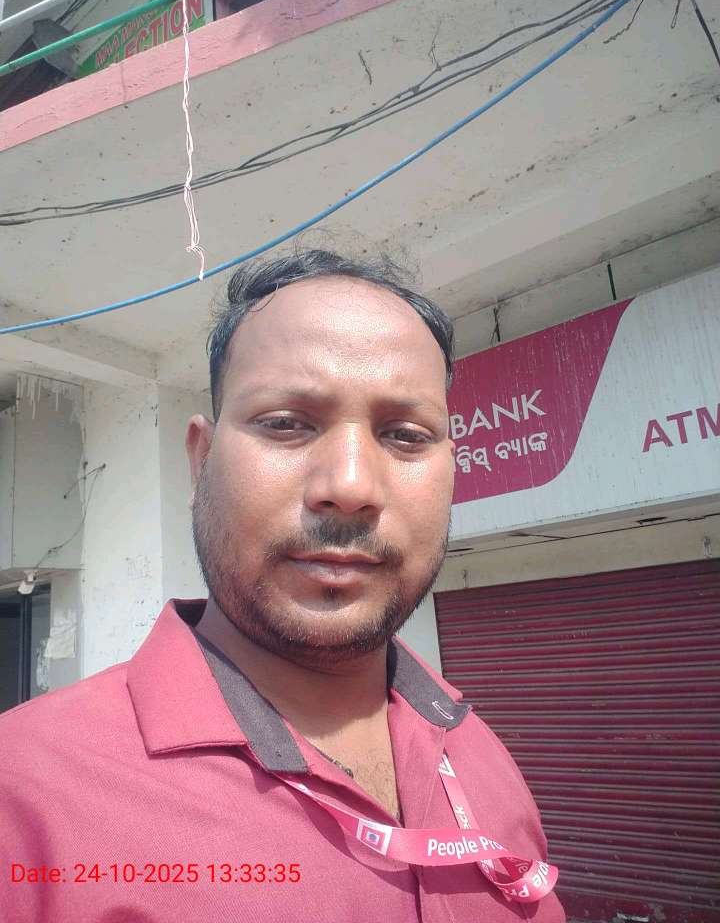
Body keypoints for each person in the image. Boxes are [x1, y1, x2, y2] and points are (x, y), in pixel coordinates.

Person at [0, 250, 565, 922]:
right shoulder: (23, 792)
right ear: (200, 462)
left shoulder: (479, 753)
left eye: (406, 435)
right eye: (286, 423)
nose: (349, 486)